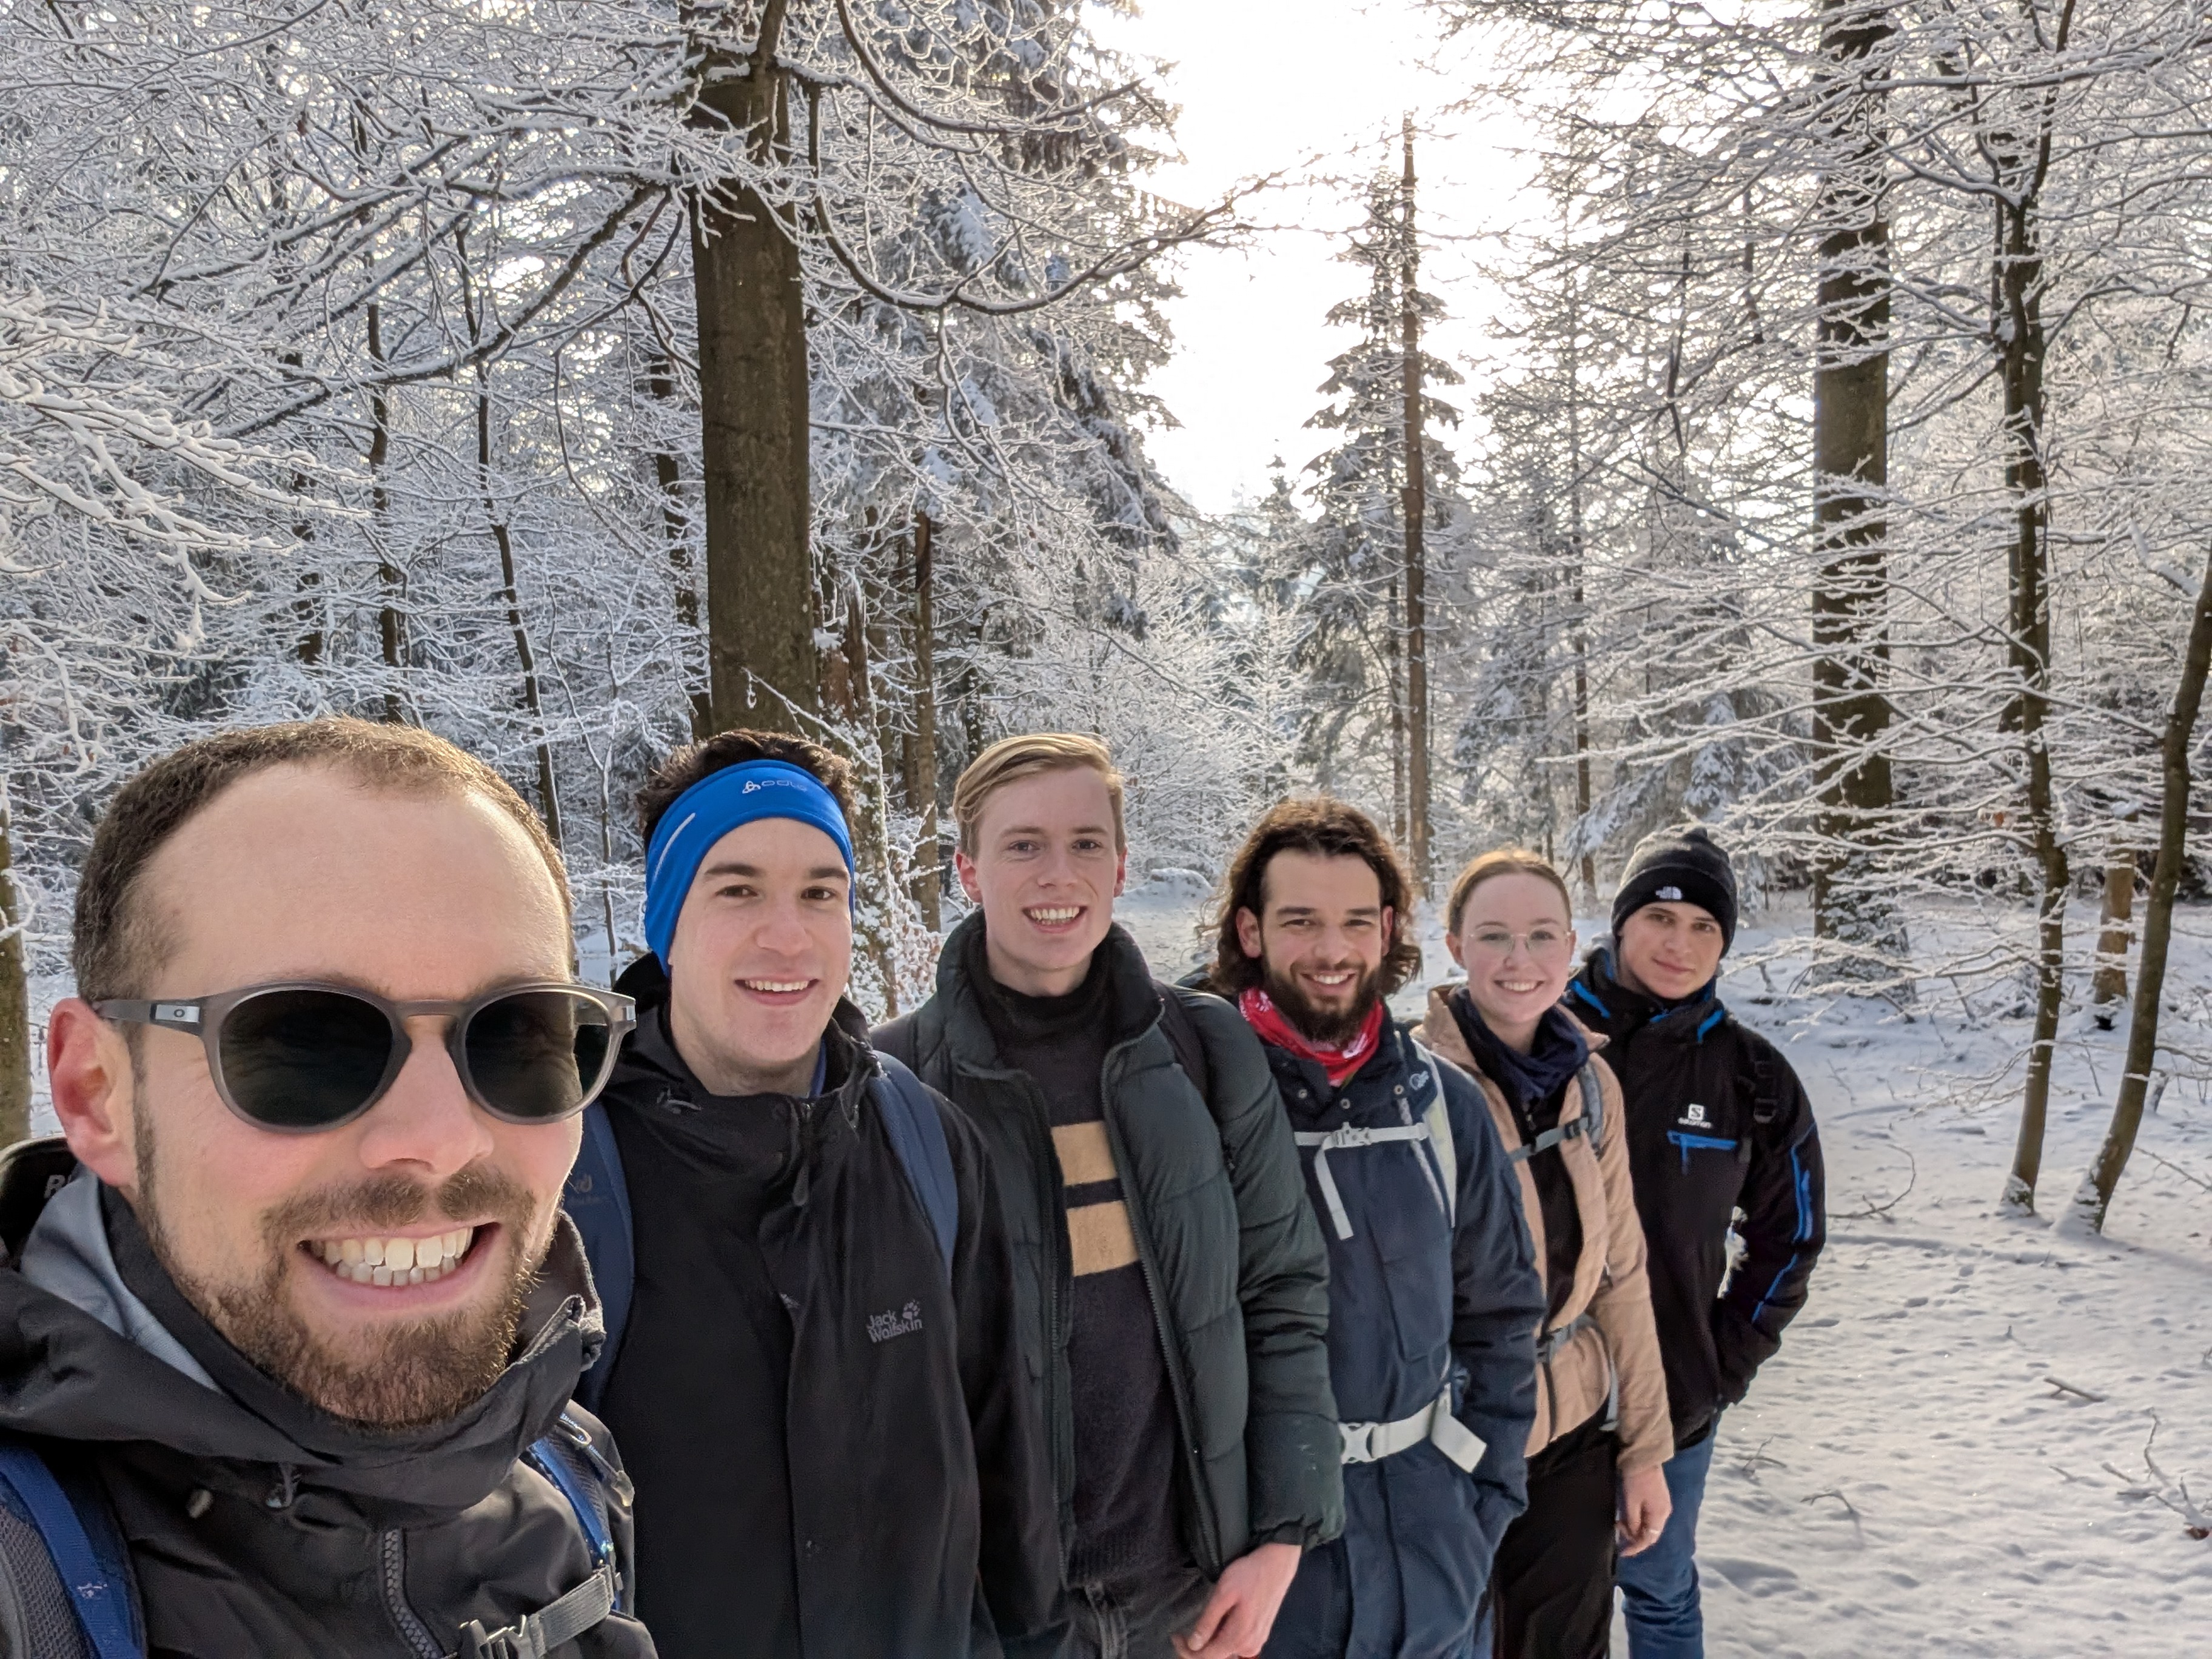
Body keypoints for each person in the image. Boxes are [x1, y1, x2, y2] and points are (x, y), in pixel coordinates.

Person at [18, 718, 652, 1657]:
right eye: (305, 1042)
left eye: (516, 1035)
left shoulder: (565, 1470)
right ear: (96, 1093)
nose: (438, 1141)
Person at [564, 729, 1063, 1659]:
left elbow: (1006, 1470)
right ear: (667, 921)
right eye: (738, 888)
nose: (786, 935)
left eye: (820, 893)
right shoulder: (570, 1176)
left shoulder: (928, 1143)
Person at [873, 734, 1341, 1659]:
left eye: (1087, 843)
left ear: (1121, 866)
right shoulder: (893, 1084)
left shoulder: (1205, 1051)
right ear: (968, 869)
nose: (1060, 872)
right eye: (1023, 845)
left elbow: (1281, 1292)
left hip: (1189, 1599)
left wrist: (1282, 1535)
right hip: (996, 1620)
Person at [1203, 798, 1543, 1659]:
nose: (1331, 950)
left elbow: (1502, 1320)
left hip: (1433, 1577)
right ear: (1250, 931)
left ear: (1388, 929)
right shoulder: (1196, 1106)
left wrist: (1485, 1504)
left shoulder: (1445, 1109)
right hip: (1261, 1594)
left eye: (1357, 921)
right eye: (1300, 921)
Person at [1566, 825, 1826, 1659]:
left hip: (1674, 1399)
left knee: (1659, 1587)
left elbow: (1793, 1235)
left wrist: (1725, 1357)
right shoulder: (1542, 1035)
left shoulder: (1751, 1078)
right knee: (1535, 1597)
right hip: (1535, 1397)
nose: (1680, 945)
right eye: (1661, 919)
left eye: (1705, 929)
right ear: (1621, 921)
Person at [1415, 849, 1672, 1659]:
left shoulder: (1591, 1084)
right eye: (1493, 936)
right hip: (1447, 1442)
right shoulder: (1410, 1086)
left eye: (1540, 937)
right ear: (1454, 944)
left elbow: (1623, 1273)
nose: (1518, 961)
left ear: (1570, 947)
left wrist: (1645, 1452)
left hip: (1570, 1442)